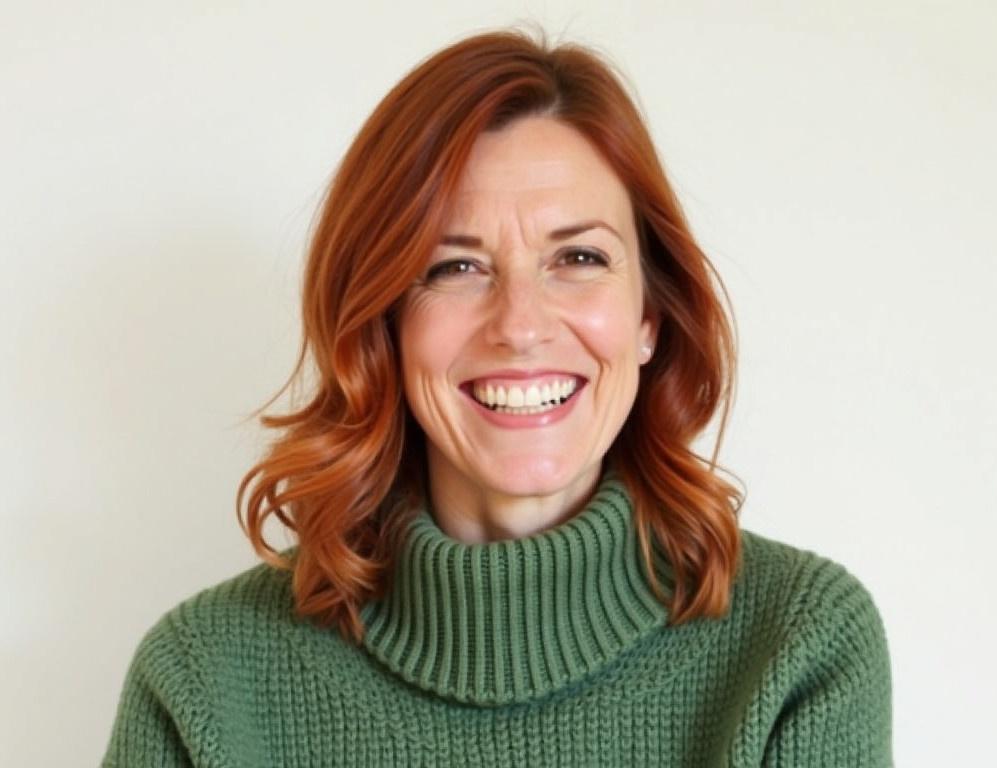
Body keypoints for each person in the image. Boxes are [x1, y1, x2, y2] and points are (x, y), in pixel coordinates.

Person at [101, 29, 892, 767]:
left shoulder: (799, 643)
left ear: (649, 316)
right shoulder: (204, 678)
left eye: (579, 257)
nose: (520, 325)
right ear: (384, 326)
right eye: (455, 267)